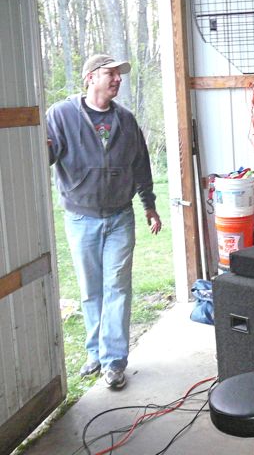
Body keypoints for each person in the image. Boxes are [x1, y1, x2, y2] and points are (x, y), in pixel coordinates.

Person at [47, 54, 162, 389]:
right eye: (111, 74)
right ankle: (94, 353)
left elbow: (141, 165)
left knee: (117, 288)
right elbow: (48, 154)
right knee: (90, 290)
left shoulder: (125, 120)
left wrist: (150, 206)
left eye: (119, 75)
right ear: (90, 77)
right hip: (80, 217)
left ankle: (114, 362)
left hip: (119, 217)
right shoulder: (62, 115)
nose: (117, 80)